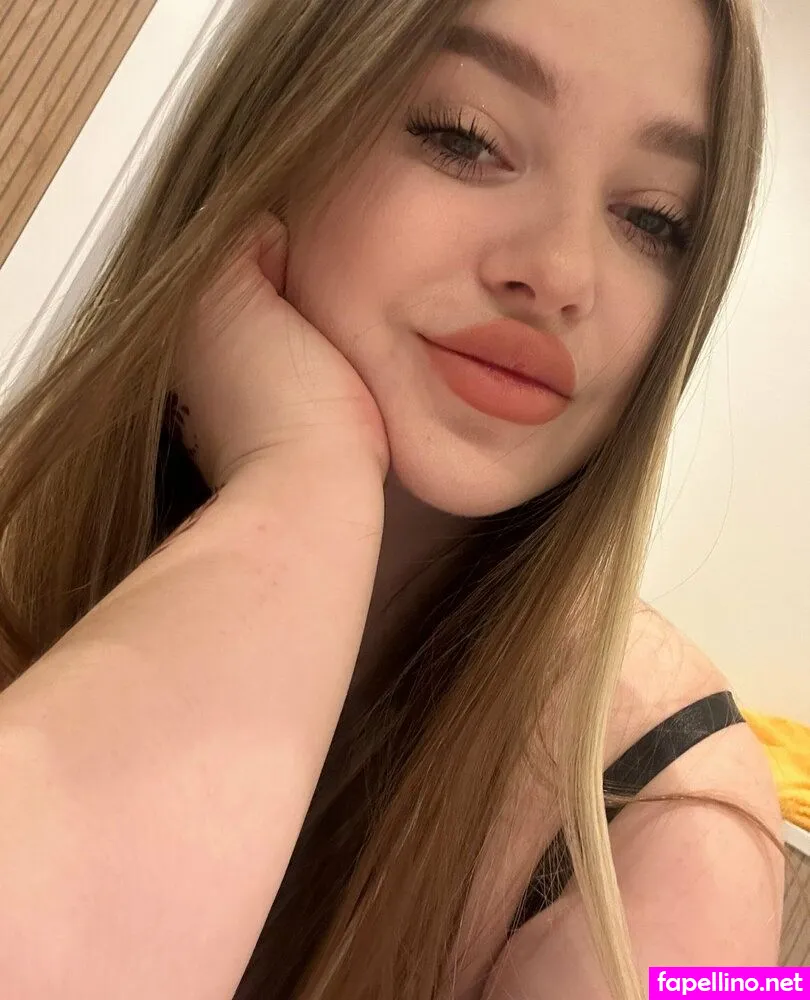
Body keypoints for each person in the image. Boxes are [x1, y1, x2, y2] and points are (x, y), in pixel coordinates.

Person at [0, 0, 792, 997]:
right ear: (273, 138)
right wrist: (305, 485)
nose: (560, 274)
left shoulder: (689, 830)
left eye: (653, 219)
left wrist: (298, 478)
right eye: (465, 138)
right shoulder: (26, 527)